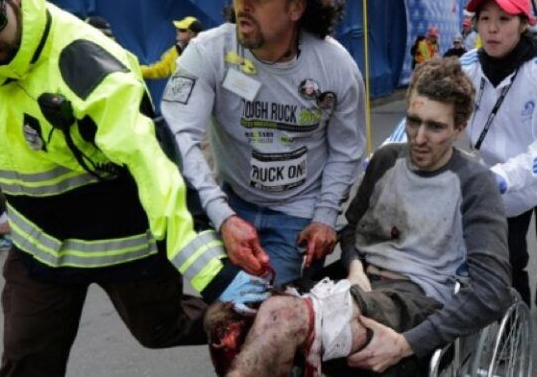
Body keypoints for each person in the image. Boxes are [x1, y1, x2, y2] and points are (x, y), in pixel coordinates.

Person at [0, 0, 266, 376]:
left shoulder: (86, 64)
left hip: (123, 242)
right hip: (40, 246)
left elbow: (157, 169)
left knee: (160, 330)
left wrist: (216, 277)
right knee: (26, 361)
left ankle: (259, 325)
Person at [212, 58, 512, 376]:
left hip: (413, 297)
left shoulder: (475, 183)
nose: (419, 137)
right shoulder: (386, 161)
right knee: (224, 318)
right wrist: (355, 267)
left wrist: (409, 343)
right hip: (358, 281)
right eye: (413, 121)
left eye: (435, 126)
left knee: (281, 317)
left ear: (459, 127)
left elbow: (491, 291)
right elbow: (353, 228)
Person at [162, 0, 366, 287]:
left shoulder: (337, 68)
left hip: (298, 214)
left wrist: (323, 217)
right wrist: (222, 217)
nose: (244, 3)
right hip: (228, 201)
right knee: (227, 318)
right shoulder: (207, 52)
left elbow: (347, 150)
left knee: (270, 319)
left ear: (296, 8)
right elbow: (178, 137)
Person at [390, 0, 537, 328]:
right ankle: (514, 325)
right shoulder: (465, 65)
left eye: (504, 19)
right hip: (500, 183)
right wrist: (385, 155)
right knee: (507, 258)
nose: (492, 28)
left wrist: (508, 175)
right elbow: (424, 107)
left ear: (524, 23)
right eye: (484, 18)